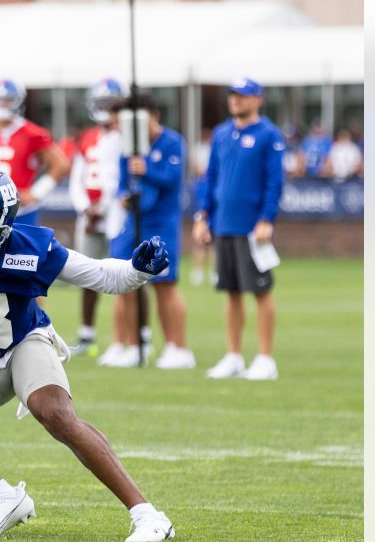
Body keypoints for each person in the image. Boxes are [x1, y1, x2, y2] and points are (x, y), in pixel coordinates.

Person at [0, 164, 175, 542]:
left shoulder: (30, 249)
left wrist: (138, 271)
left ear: (0, 234)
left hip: (26, 344)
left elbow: (104, 275)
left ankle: (148, 516)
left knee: (54, 412)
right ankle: (4, 498)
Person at [193, 77, 285, 381]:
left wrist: (266, 219)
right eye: (232, 95)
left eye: (242, 96)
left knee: (260, 290)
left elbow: (274, 181)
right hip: (223, 224)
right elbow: (211, 177)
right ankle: (233, 355)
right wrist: (203, 215)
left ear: (257, 99)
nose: (235, 101)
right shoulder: (221, 134)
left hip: (251, 226)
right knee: (230, 291)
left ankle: (265, 357)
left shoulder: (268, 135)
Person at [103, 95, 195, 370]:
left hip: (161, 222)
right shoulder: (127, 146)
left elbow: (172, 178)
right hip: (133, 221)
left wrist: (148, 169)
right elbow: (123, 181)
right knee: (124, 281)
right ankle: (131, 344)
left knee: (165, 285)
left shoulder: (172, 142)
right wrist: (122, 196)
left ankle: (177, 347)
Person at [67, 78, 125, 356]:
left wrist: (101, 209)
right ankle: (87, 334)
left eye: (109, 104)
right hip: (88, 216)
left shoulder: (125, 135)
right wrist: (84, 208)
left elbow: (119, 178)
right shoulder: (87, 137)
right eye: (100, 103)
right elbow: (76, 177)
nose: (104, 109)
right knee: (88, 274)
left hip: (115, 214)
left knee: (125, 274)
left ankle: (128, 337)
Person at [0, 79, 69, 227]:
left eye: (6, 100)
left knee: (24, 250)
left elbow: (62, 165)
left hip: (22, 211)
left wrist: (36, 192)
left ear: (17, 102)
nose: (1, 104)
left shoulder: (33, 133)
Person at [188, 127, 214, 286]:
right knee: (199, 241)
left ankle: (214, 271)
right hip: (201, 212)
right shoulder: (199, 184)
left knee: (212, 241)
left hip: (212, 212)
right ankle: (197, 271)